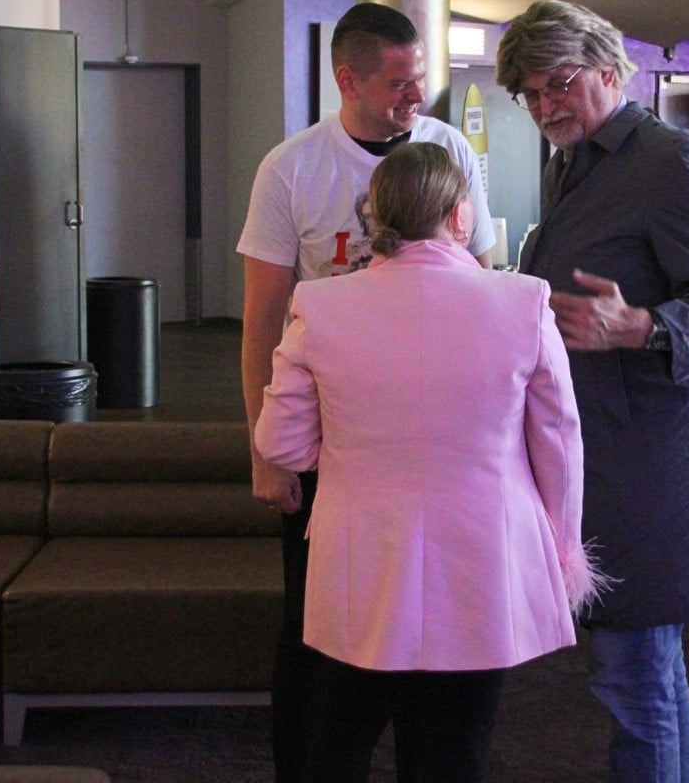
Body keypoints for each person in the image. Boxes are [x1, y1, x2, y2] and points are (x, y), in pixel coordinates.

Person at [254, 141, 603, 783]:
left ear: (375, 217)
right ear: (461, 216)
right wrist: (561, 546)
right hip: (481, 564)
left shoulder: (320, 305)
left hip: (358, 565)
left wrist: (336, 449)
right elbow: (559, 441)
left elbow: (280, 442)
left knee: (337, 744)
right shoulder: (524, 303)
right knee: (453, 754)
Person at [496, 0, 689, 783]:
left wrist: (639, 324)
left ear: (609, 72)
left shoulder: (670, 158)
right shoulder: (572, 162)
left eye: (558, 84)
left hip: (650, 457)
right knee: (647, 670)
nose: (545, 106)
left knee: (633, 669)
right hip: (600, 447)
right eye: (531, 94)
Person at [236, 2, 495, 782]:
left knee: (436, 625)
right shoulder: (293, 168)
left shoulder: (448, 149)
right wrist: (265, 451)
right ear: (348, 81)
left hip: (435, 437)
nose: (416, 97)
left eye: (421, 80)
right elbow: (262, 321)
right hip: (328, 435)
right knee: (315, 629)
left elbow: (481, 286)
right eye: (398, 84)